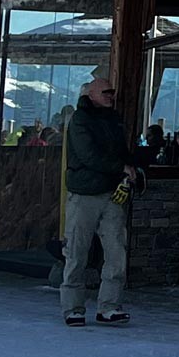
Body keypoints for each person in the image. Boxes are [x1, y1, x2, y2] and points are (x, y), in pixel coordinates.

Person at [58, 72, 133, 326]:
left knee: (116, 250)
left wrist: (131, 168)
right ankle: (73, 308)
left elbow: (122, 151)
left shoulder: (114, 119)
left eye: (112, 92)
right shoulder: (80, 119)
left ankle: (109, 306)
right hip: (85, 194)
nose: (111, 96)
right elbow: (88, 155)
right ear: (91, 95)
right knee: (77, 251)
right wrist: (120, 167)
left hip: (112, 193)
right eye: (105, 92)